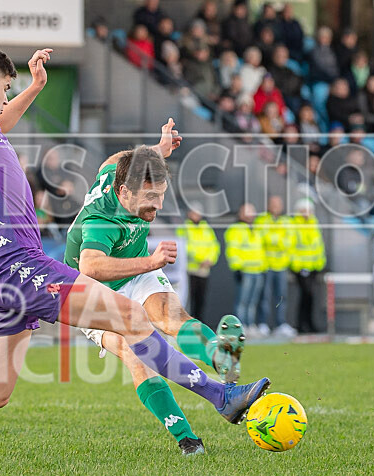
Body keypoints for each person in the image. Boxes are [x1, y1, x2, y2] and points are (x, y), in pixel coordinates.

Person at [0, 45, 269, 460]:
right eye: (7, 88)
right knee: (132, 317)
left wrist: (36, 86)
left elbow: (0, 119)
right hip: (17, 263)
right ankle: (222, 396)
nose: (8, 98)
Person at [63, 137, 247, 454]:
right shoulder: (100, 222)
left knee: (171, 315)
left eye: (161, 196)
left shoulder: (115, 173)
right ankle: (187, 439)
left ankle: (219, 356)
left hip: (134, 269)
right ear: (124, 193)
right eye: (150, 197)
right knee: (137, 354)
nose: (158, 205)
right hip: (88, 291)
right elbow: (90, 265)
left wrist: (156, 152)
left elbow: (114, 159)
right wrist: (151, 261)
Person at [254, 196, 297, 337]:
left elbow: (290, 240)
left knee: (281, 297)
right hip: (266, 265)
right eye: (273, 204)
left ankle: (281, 323)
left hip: (281, 265)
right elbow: (261, 239)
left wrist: (274, 240)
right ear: (268, 205)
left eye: (278, 204)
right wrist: (278, 240)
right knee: (264, 297)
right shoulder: (262, 220)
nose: (275, 207)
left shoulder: (287, 221)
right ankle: (263, 324)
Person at [225, 203, 266, 337]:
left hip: (257, 270)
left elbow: (260, 250)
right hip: (245, 270)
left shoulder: (256, 228)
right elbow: (232, 250)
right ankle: (240, 326)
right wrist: (237, 268)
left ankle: (250, 324)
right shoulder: (235, 229)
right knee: (242, 301)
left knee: (253, 301)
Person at [176, 208, 220, 322]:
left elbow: (214, 246)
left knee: (201, 299)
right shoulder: (184, 228)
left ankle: (199, 324)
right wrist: (199, 259)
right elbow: (183, 247)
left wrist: (210, 260)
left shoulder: (206, 228)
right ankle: (187, 324)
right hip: (189, 270)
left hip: (203, 270)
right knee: (188, 299)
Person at [291, 198, 326, 334]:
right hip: (301, 267)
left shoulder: (314, 225)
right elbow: (293, 247)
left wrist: (320, 264)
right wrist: (297, 266)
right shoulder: (294, 225)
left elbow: (318, 247)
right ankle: (302, 324)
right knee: (305, 296)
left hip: (313, 267)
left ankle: (309, 324)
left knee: (311, 297)